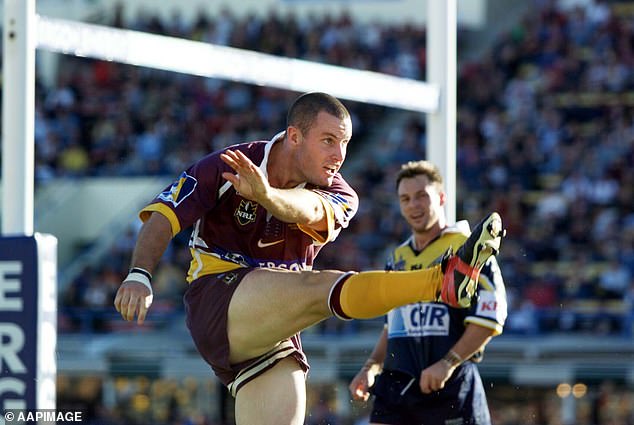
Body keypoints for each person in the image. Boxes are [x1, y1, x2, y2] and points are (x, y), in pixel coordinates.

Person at [113, 92, 504, 425]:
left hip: (273, 333)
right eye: (329, 141)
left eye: (346, 143)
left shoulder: (342, 194)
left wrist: (267, 196)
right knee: (319, 287)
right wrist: (139, 274)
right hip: (217, 299)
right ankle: (441, 281)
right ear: (295, 136)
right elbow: (164, 216)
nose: (340, 155)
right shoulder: (230, 165)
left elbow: (306, 210)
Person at [349, 160, 507, 425]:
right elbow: (393, 326)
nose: (413, 205)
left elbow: (491, 316)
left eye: (422, 196)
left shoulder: (467, 246)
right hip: (397, 386)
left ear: (442, 197)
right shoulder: (397, 257)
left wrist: (448, 363)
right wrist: (370, 367)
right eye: (405, 198)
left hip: (450, 386)